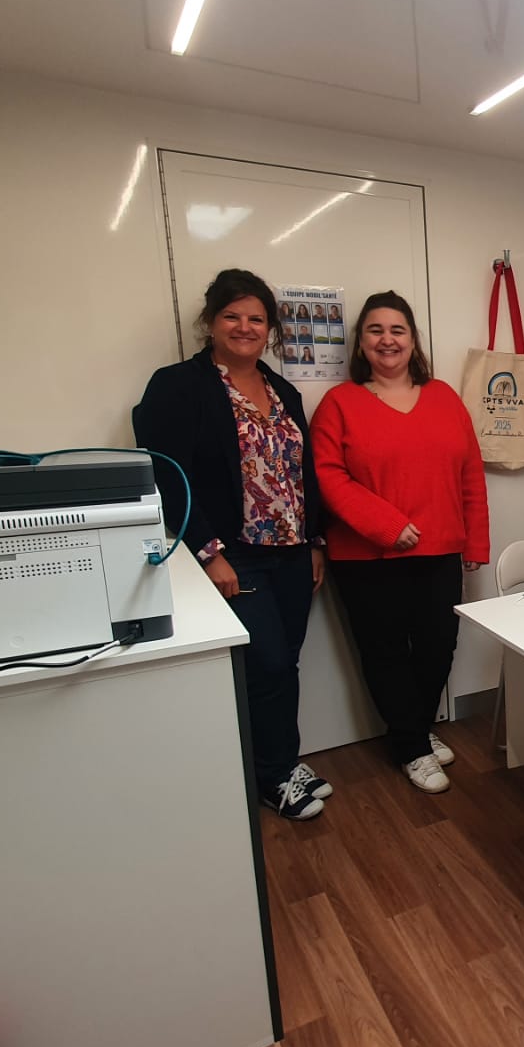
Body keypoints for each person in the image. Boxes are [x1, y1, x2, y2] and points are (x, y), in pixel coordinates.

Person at [134, 268, 334, 820]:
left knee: (285, 662)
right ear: (210, 322)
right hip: (233, 552)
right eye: (232, 316)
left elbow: (303, 474)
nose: (245, 327)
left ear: (269, 329)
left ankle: (281, 763)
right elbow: (167, 475)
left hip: (291, 551)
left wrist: (316, 541)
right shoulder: (178, 386)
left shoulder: (283, 390)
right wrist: (209, 552)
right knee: (266, 663)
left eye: (256, 319)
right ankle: (270, 776)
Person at [310, 291, 489, 794]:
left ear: (412, 340)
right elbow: (327, 477)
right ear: (360, 342)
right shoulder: (339, 404)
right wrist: (386, 525)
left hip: (440, 550)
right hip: (366, 557)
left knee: (438, 647)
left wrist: (475, 541)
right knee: (384, 652)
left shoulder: (444, 397)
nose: (386, 340)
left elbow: (470, 474)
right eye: (375, 330)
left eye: (397, 330)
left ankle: (414, 729)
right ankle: (412, 747)